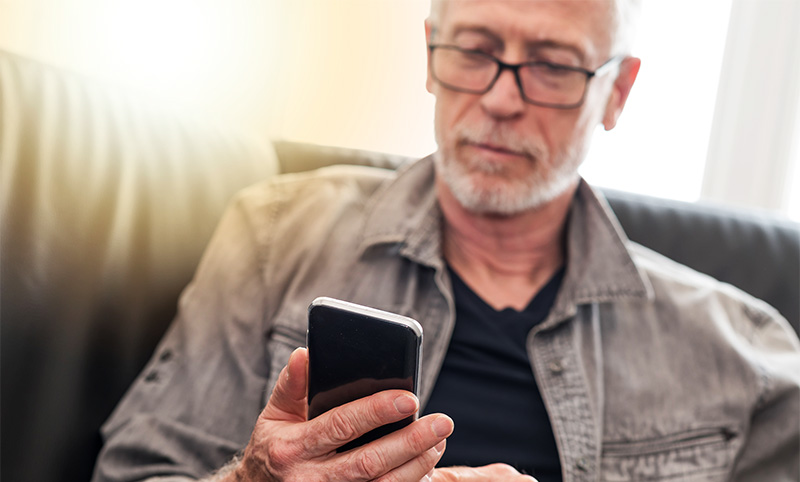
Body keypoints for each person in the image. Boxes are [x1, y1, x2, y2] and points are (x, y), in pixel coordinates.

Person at [93, 0, 800, 481]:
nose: (499, 97)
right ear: (430, 57)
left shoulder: (745, 354)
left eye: (553, 64)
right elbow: (134, 470)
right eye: (474, 50)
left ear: (616, 94)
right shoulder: (277, 234)